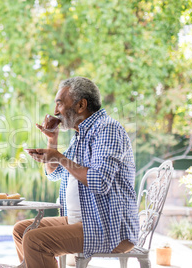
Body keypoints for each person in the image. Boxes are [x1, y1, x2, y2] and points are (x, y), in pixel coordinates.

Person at [16, 77, 139, 267]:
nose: (55, 111)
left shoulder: (107, 129)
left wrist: (60, 157)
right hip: (81, 221)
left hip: (107, 227)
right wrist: (52, 142)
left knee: (35, 240)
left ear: (81, 105)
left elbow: (99, 181)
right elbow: (55, 174)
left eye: (59, 104)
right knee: (21, 230)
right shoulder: (81, 134)